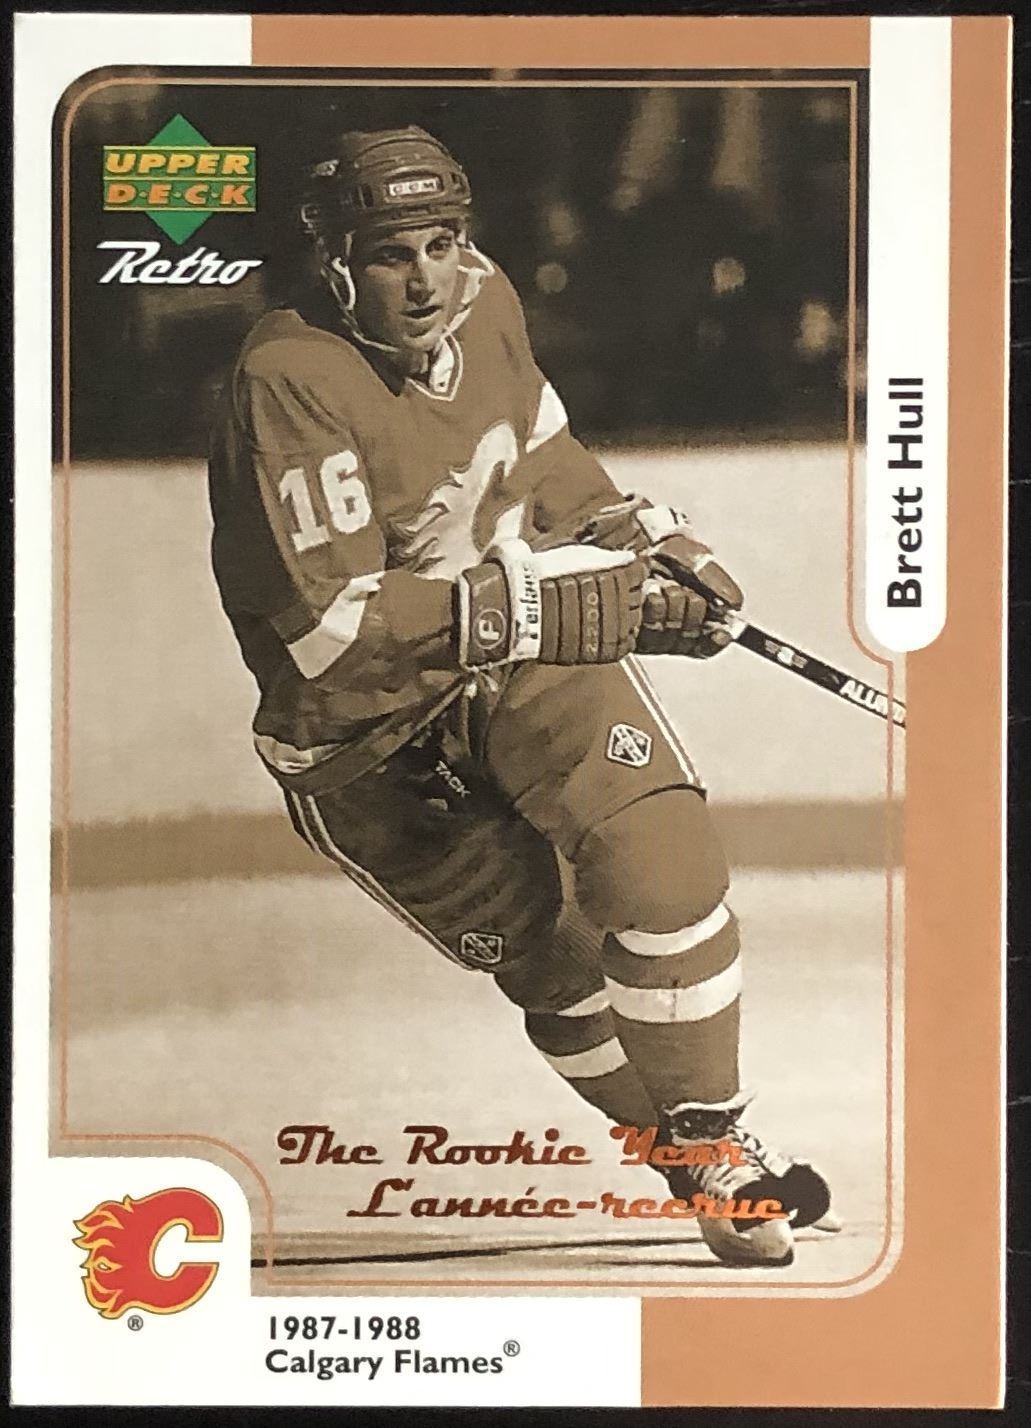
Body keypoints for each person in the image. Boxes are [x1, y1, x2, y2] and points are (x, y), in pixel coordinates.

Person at [208, 126, 836, 1266]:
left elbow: (542, 465)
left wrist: (638, 537)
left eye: (442, 243)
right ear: (336, 262)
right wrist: (535, 606)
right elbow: (326, 627)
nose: (426, 278)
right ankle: (681, 1158)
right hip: (363, 737)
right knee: (554, 965)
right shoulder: (288, 376)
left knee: (664, 865)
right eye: (391, 253)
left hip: (514, 661)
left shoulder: (485, 299)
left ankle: (717, 1146)